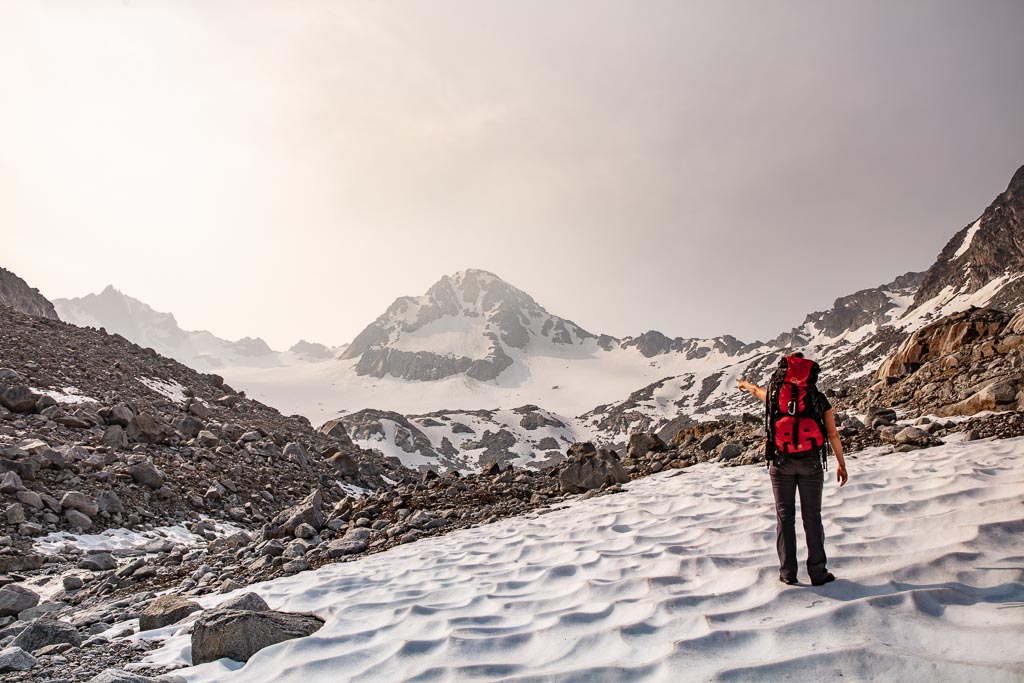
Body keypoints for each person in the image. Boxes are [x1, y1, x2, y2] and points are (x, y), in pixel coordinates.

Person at [737, 368, 848, 587]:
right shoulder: (817, 397)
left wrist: (744, 384)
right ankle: (818, 573)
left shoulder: (777, 394)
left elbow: (757, 391)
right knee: (812, 517)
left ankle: (788, 573)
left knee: (785, 517)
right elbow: (832, 433)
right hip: (811, 463)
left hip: (781, 463)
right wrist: (841, 464)